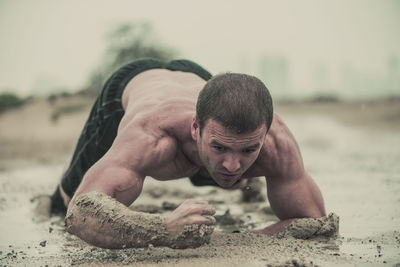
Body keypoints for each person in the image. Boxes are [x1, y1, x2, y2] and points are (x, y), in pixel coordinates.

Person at [50, 58, 326, 249]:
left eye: (249, 149)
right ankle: (77, 173)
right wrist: (164, 229)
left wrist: (237, 238)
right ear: (196, 127)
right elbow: (81, 215)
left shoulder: (276, 143)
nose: (232, 163)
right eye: (219, 147)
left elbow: (316, 223)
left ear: (265, 135)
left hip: (197, 78)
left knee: (230, 174)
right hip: (130, 86)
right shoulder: (150, 136)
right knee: (65, 200)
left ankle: (238, 178)